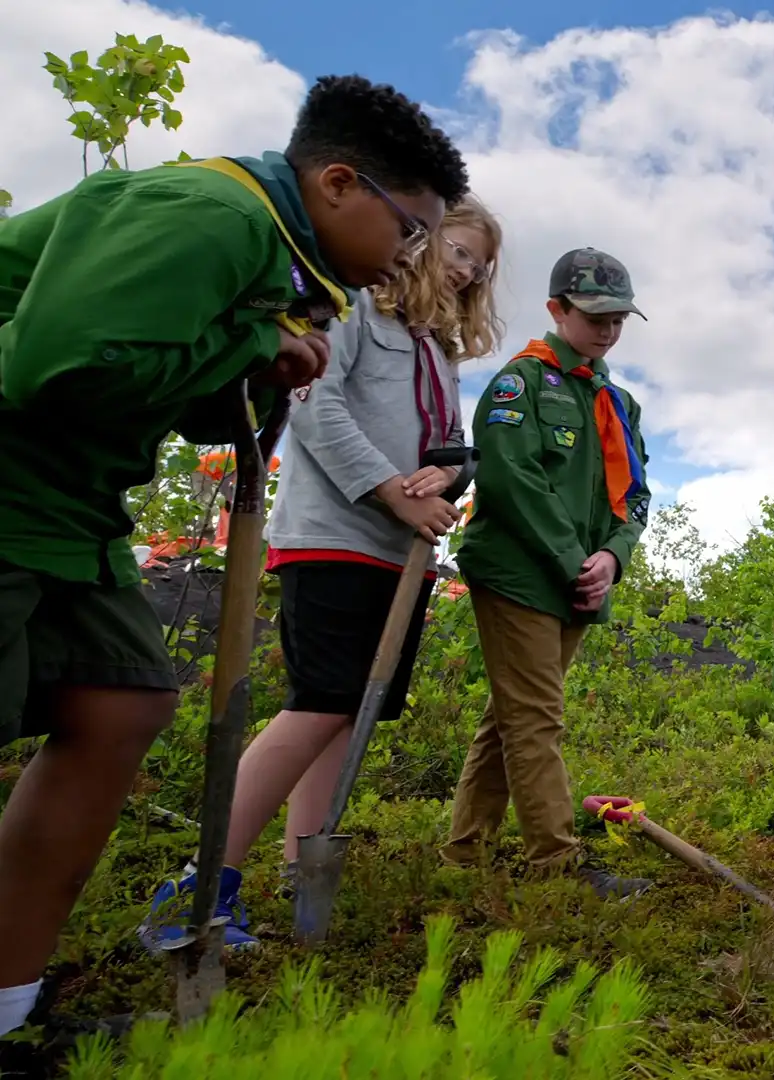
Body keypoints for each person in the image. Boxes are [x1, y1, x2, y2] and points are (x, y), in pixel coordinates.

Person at [0, 73, 467, 1035]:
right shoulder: (210, 212)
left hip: (70, 504)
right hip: (12, 481)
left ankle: (9, 1003)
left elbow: (169, 387)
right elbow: (62, 364)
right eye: (409, 226)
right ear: (339, 183)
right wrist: (255, 342)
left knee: (123, 697)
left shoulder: (285, 267)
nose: (411, 254)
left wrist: (257, 358)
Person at [139, 198, 503, 950]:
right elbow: (314, 409)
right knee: (318, 703)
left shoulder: (438, 351)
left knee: (344, 715)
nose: (469, 271)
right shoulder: (356, 313)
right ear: (422, 244)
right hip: (333, 536)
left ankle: (301, 880)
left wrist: (447, 479)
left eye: (481, 263)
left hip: (399, 555)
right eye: (460, 251)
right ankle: (198, 885)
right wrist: (388, 493)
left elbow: (447, 447)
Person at [440, 248, 653, 898]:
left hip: (583, 581)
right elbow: (510, 478)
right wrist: (572, 561)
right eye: (595, 315)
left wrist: (612, 557)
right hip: (519, 573)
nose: (608, 328)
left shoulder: (619, 403)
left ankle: (464, 851)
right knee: (536, 718)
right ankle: (556, 866)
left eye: (618, 317)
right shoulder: (521, 384)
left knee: (512, 715)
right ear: (557, 309)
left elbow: (637, 493)